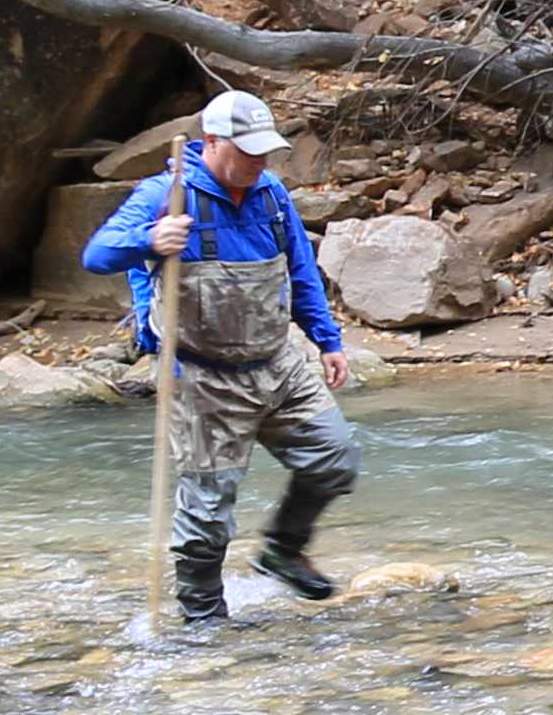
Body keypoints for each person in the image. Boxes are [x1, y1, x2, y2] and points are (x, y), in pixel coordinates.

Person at [86, 89, 358, 624]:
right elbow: (96, 255)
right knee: (207, 513)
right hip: (202, 375)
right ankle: (203, 620)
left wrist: (327, 341)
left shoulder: (272, 195)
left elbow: (300, 272)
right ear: (212, 143)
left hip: (277, 364)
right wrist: (150, 237)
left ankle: (281, 549)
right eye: (248, 152)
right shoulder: (166, 194)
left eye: (265, 152)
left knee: (334, 459)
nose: (259, 162)